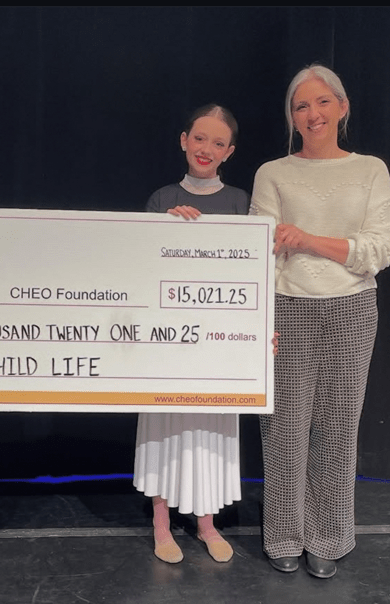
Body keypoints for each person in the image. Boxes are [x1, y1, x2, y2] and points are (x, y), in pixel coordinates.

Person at [250, 64, 390, 579]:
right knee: (284, 426)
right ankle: (283, 534)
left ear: (342, 107)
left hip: (352, 307)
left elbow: (381, 248)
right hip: (286, 305)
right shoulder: (272, 173)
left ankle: (329, 536)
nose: (312, 114)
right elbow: (260, 250)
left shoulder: (371, 170)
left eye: (321, 102)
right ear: (291, 117)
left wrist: (309, 240)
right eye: (301, 106)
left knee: (337, 426)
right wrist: (259, 316)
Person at [133, 105, 249, 564]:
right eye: (200, 138)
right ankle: (161, 524)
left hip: (218, 342)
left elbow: (250, 275)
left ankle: (206, 523)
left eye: (218, 143)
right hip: (167, 341)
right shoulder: (162, 199)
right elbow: (140, 268)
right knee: (166, 426)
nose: (206, 149)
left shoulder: (241, 202)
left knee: (209, 429)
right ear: (184, 140)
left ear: (229, 152)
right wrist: (167, 229)